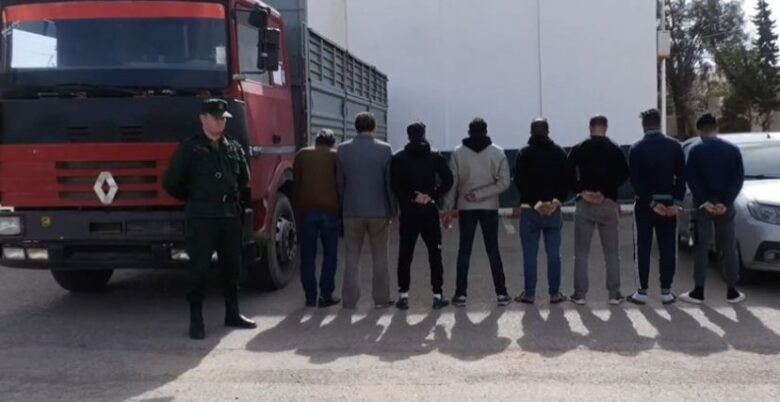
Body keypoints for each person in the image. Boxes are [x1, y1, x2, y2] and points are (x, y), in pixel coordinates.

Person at [163, 99, 257, 340]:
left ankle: (233, 313)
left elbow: (244, 180)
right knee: (199, 269)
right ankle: (196, 319)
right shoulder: (190, 148)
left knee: (232, 267)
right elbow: (171, 182)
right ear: (203, 118)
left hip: (229, 216)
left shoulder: (233, 147)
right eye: (216, 117)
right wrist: (196, 200)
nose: (220, 122)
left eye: (223, 118)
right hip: (201, 217)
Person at [443, 117, 512, 307]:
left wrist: (448, 209)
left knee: (464, 250)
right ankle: (501, 293)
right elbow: (504, 182)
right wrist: (481, 194)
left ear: (469, 131)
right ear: (486, 131)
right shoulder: (498, 152)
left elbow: (452, 184)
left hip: (466, 207)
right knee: (493, 249)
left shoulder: (458, 153)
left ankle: (460, 294)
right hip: (489, 207)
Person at [680, 113, 746, 304]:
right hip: (726, 207)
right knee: (728, 247)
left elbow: (691, 178)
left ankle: (698, 291)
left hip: (703, 207)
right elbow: (738, 179)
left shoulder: (695, 150)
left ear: (700, 131)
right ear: (716, 128)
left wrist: (704, 201)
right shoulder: (732, 150)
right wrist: (725, 202)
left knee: (701, 247)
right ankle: (732, 291)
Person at [566, 115, 630, 305]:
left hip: (585, 204)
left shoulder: (579, 148)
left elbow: (566, 172)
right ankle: (614, 294)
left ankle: (580, 294)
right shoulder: (615, 149)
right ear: (606, 128)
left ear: (590, 128)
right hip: (607, 203)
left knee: (581, 253)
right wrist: (605, 192)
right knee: (611, 253)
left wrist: (581, 191)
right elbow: (624, 174)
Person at [390, 122, 454, 310]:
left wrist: (413, 196)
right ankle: (437, 295)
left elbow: (395, 185)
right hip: (429, 210)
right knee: (435, 253)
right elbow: (448, 180)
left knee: (405, 254)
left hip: (409, 211)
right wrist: (432, 195)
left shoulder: (399, 157)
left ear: (408, 136)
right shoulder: (435, 156)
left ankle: (403, 296)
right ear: (424, 134)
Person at [337, 112, 397, 309]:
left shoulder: (343, 149)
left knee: (352, 256)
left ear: (356, 127)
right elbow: (389, 183)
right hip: (379, 210)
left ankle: (349, 300)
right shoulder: (385, 149)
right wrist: (393, 209)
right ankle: (381, 299)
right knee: (380, 256)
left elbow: (340, 183)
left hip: (352, 209)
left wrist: (343, 206)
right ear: (374, 127)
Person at [627, 108, 686, 305]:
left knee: (642, 248)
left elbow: (635, 181)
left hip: (645, 206)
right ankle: (666, 292)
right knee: (668, 248)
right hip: (669, 204)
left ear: (643, 125)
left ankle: (641, 292)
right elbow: (682, 176)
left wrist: (652, 203)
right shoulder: (675, 146)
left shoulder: (636, 149)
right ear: (660, 123)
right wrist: (676, 203)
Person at [513, 118, 569, 305]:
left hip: (530, 211)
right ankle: (555, 293)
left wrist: (536, 204)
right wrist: (555, 202)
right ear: (548, 131)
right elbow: (566, 180)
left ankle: (529, 293)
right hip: (553, 210)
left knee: (530, 254)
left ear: (531, 131)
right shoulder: (559, 152)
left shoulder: (524, 153)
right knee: (554, 253)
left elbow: (520, 181)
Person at [293, 129, 341, 308]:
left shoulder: (302, 154)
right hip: (330, 211)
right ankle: (326, 295)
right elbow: (340, 183)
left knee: (308, 256)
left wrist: (297, 207)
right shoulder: (336, 156)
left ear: (316, 140)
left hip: (307, 211)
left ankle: (310, 296)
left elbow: (296, 181)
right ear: (332, 142)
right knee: (330, 255)